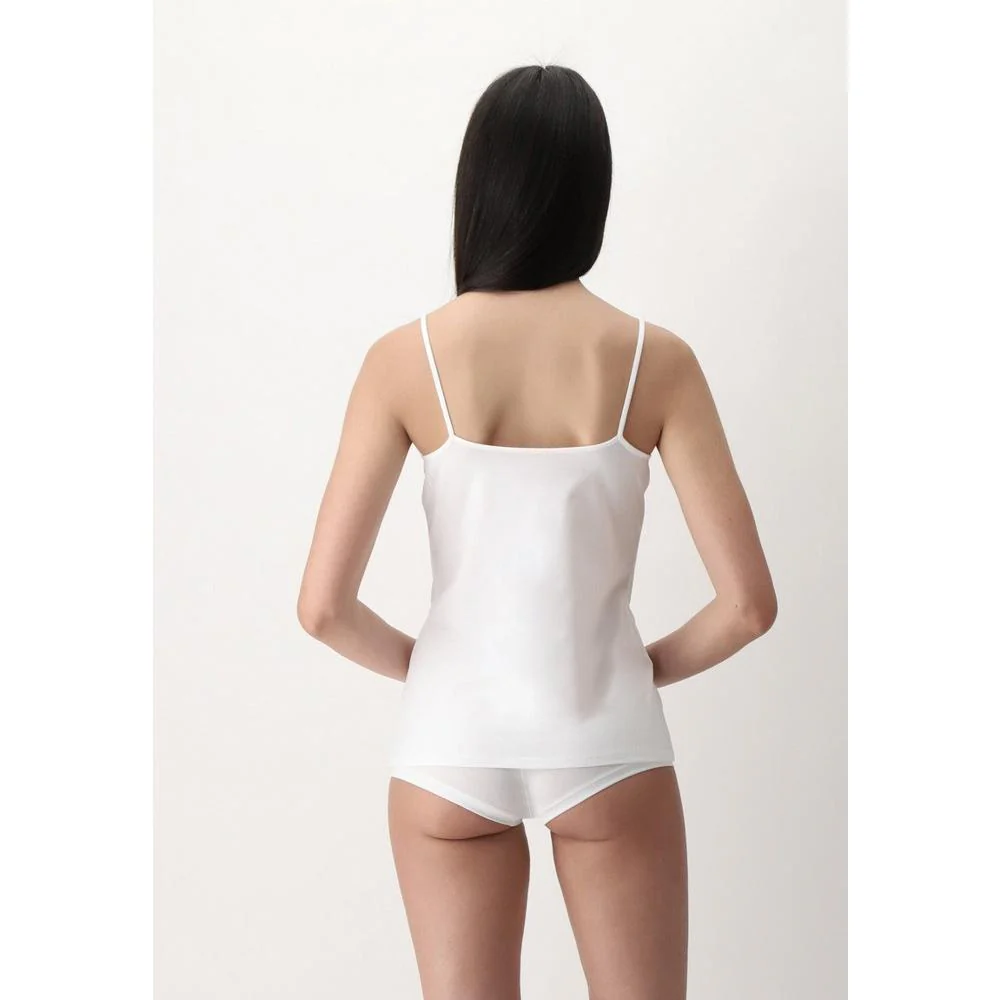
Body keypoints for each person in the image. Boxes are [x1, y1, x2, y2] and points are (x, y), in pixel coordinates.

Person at [297, 64, 776, 1000]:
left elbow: (322, 608)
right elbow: (748, 606)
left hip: (448, 742)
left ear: (478, 189)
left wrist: (432, 666)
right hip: (606, 739)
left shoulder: (403, 359)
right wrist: (636, 667)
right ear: (593, 195)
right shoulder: (655, 361)